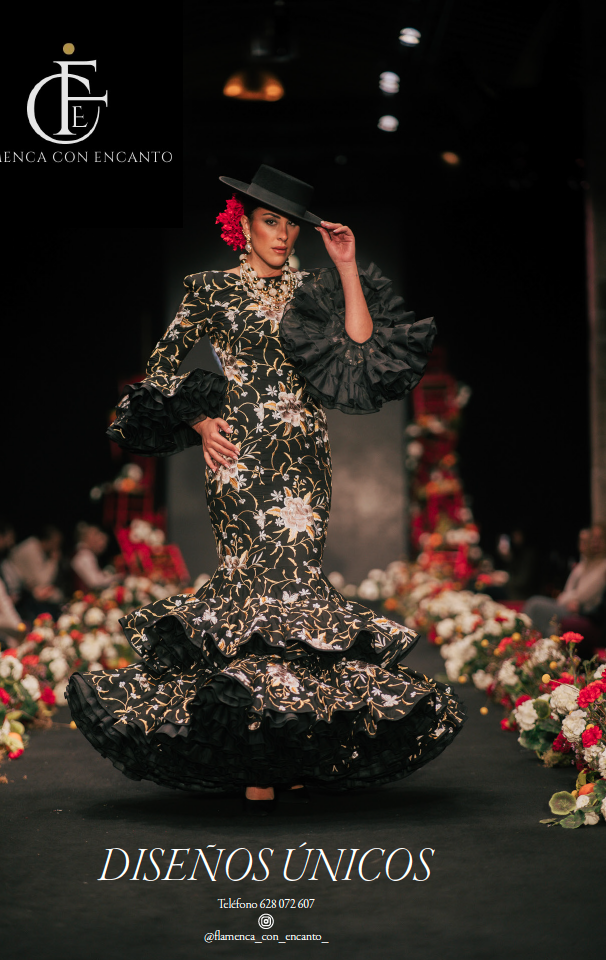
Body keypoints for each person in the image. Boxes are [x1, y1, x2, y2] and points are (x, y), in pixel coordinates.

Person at [66, 164, 467, 814]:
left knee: (296, 597)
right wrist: (200, 422)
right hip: (239, 459)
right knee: (251, 589)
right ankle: (254, 752)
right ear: (243, 224)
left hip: (305, 458)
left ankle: (290, 746)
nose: (282, 234)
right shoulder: (211, 288)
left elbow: (360, 346)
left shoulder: (313, 287)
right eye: (270, 221)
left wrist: (345, 265)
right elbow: (162, 369)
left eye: (290, 225)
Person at [524, 523, 606, 636]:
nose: (595, 543)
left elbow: (582, 594)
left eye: (600, 538)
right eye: (593, 539)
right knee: (544, 622)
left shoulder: (603, 565)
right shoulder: (588, 563)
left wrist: (565, 599)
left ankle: (522, 641)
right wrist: (566, 599)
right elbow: (571, 592)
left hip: (584, 613)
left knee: (534, 604)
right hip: (570, 607)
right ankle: (530, 643)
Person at [71, 523, 118, 591]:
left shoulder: (84, 553)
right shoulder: (85, 555)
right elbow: (96, 583)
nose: (99, 540)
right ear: (87, 537)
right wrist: (118, 578)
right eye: (95, 535)